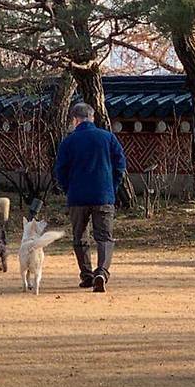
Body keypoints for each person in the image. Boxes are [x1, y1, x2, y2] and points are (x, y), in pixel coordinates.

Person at [54, 102, 126, 292]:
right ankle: (102, 272)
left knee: (80, 236)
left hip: (77, 196)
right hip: (103, 195)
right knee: (104, 238)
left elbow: (60, 170)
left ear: (74, 119)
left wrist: (67, 188)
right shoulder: (108, 137)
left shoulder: (68, 142)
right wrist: (112, 186)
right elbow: (120, 165)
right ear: (92, 118)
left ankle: (86, 275)